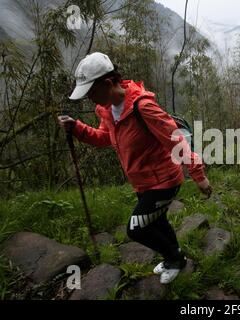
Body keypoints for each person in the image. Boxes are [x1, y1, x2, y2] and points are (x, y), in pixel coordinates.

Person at [58, 52, 212, 284]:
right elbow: (104, 138)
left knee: (136, 229)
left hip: (164, 182)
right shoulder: (107, 109)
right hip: (143, 182)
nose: (90, 98)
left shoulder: (143, 107)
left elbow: (176, 140)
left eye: (91, 91)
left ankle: (174, 258)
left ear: (108, 83)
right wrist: (78, 128)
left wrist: (198, 175)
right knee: (157, 222)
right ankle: (175, 259)